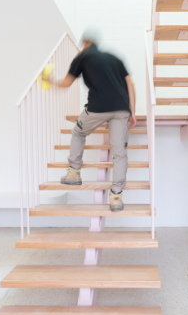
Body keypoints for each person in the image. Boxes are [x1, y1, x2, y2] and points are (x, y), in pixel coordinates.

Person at [46, 28, 137, 212]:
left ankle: (73, 173)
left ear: (85, 43)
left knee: (78, 132)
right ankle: (116, 197)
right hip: (121, 109)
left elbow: (65, 83)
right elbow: (130, 84)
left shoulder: (82, 57)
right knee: (119, 152)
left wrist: (50, 79)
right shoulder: (115, 58)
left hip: (97, 108)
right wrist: (132, 113)